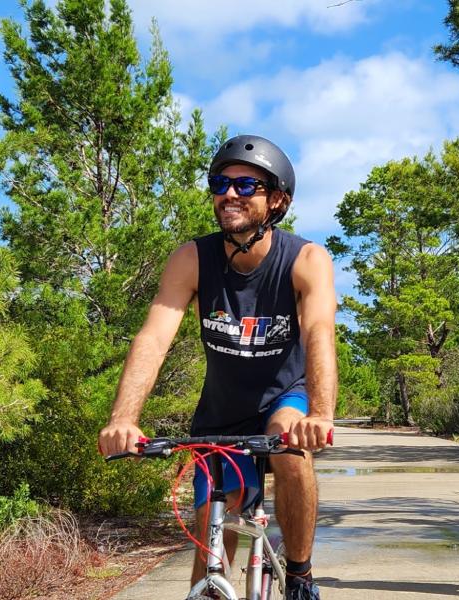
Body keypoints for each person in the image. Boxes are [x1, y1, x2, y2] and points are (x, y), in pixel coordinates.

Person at [98, 134, 336, 600]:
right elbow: (153, 338)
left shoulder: (305, 259)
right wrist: (123, 419)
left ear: (277, 201)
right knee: (210, 549)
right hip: (222, 411)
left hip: (286, 395)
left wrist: (320, 415)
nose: (230, 193)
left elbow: (319, 334)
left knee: (291, 449)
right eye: (220, 183)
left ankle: (301, 575)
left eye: (247, 185)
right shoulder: (193, 258)